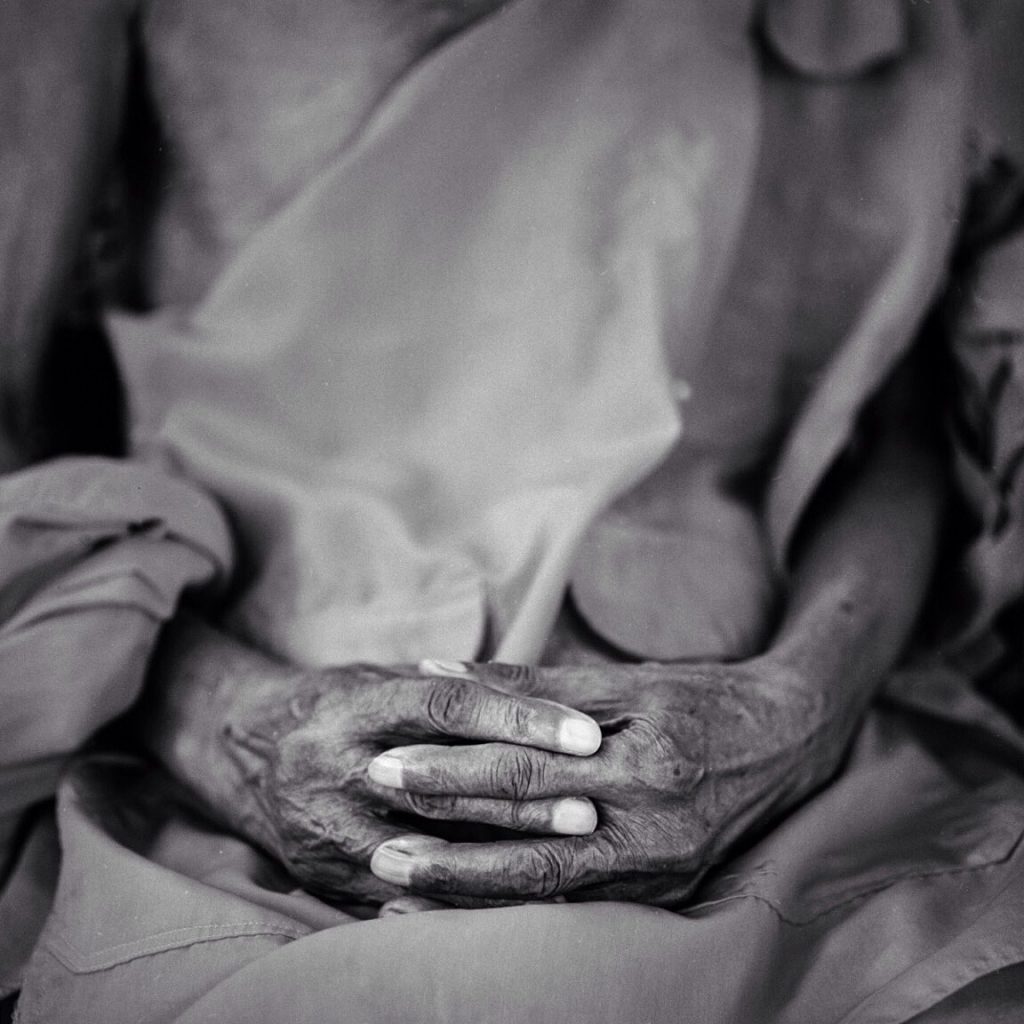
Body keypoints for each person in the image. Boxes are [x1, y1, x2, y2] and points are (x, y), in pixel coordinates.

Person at [2, 0, 1024, 1020]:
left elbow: (886, 401)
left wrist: (798, 709)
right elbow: (14, 410)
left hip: (789, 784)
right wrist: (230, 731)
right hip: (278, 812)